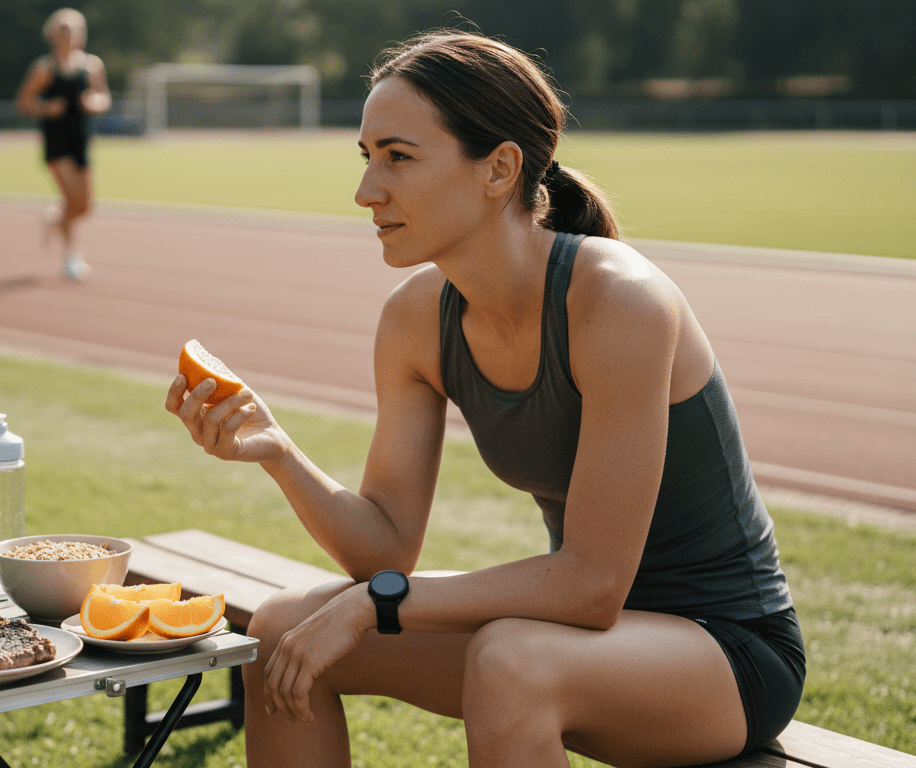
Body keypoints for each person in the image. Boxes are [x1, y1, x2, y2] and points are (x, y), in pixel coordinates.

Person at [166, 30, 805, 768]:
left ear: (499, 168)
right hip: (582, 640)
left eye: (398, 157)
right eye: (367, 157)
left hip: (725, 653)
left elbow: (592, 585)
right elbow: (384, 546)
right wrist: (278, 452)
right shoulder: (415, 319)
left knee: (511, 661)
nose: (367, 190)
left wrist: (378, 602)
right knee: (282, 627)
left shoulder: (619, 302)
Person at [14, 8, 111, 282]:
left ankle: (55, 220)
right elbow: (23, 101)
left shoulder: (92, 66)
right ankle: (71, 256)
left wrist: (95, 102)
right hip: (56, 143)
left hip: (81, 140)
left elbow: (104, 97)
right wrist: (46, 108)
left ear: (82, 34)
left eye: (74, 30)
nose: (69, 35)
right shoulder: (44, 68)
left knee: (85, 206)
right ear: (53, 35)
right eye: (63, 29)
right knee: (71, 199)